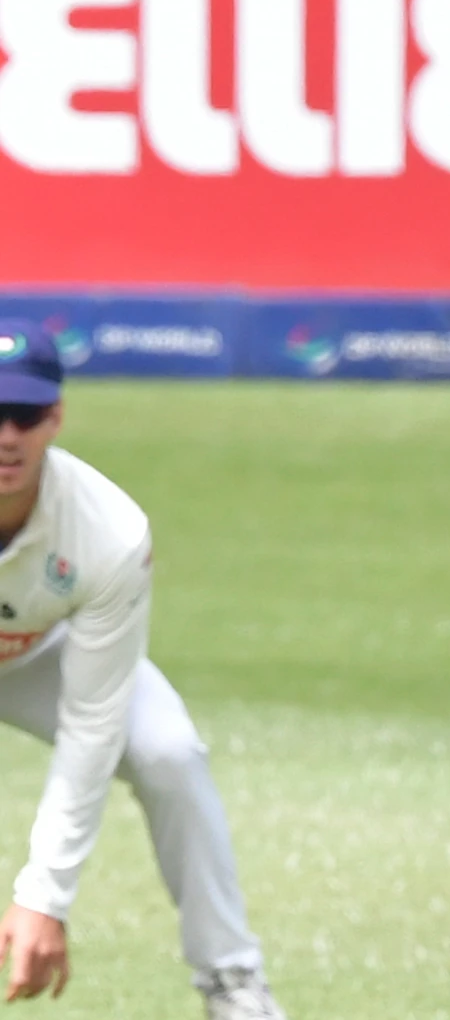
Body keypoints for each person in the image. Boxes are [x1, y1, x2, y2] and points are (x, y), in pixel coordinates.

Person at [0, 321, 288, 1019]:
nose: (7, 436)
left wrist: (44, 895)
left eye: (27, 415)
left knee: (167, 752)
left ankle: (232, 983)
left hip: (34, 652)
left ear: (57, 417)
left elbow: (93, 724)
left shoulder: (109, 531)